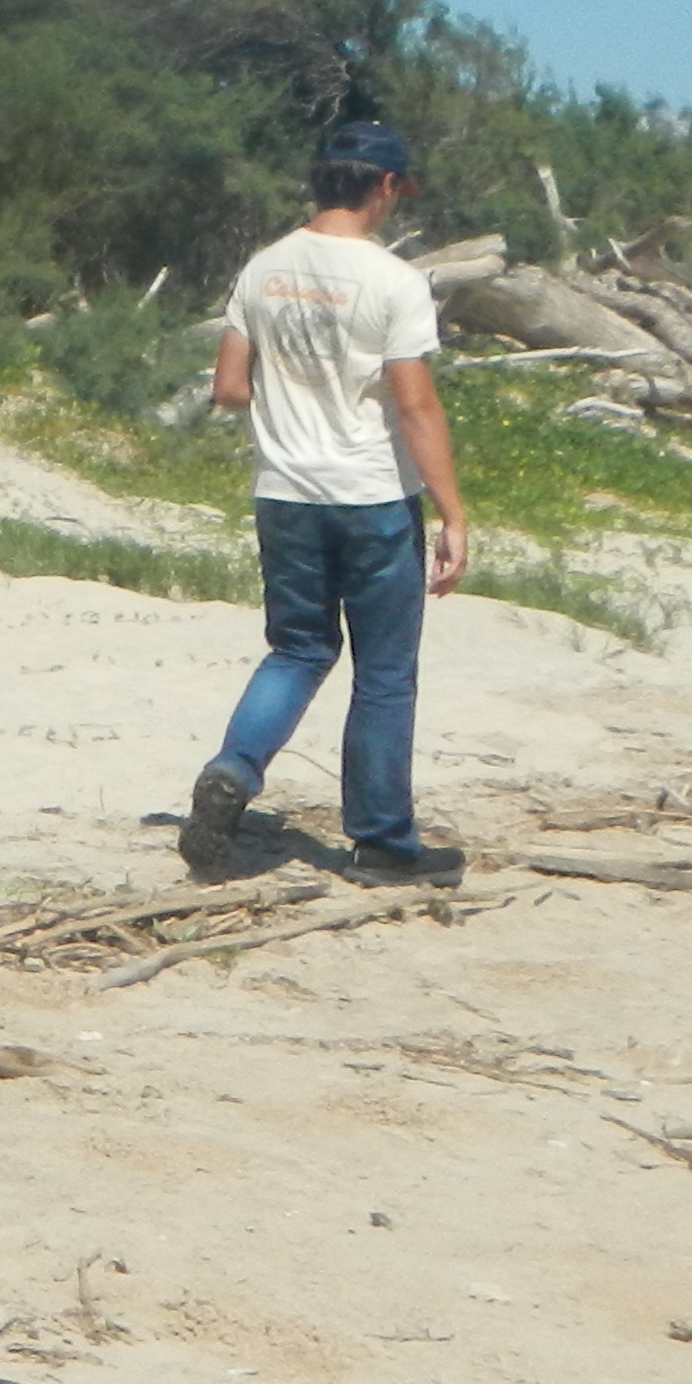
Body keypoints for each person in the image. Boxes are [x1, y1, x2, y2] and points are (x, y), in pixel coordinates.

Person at [178, 119, 473, 887]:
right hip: (372, 495)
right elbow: (415, 407)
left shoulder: (264, 268)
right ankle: (381, 842)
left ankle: (234, 769)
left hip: (286, 494)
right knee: (383, 671)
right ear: (384, 188)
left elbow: (229, 389)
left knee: (299, 648)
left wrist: (292, 417)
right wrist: (453, 513)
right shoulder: (393, 282)